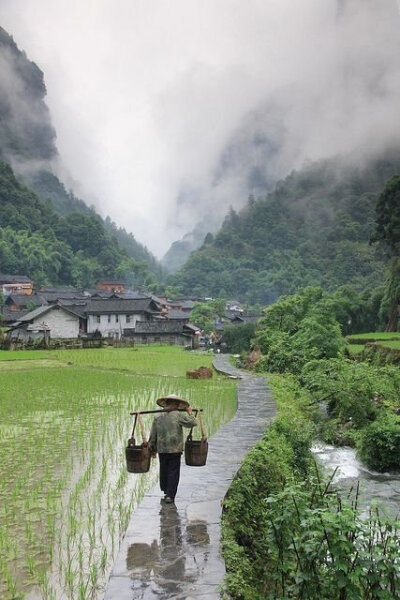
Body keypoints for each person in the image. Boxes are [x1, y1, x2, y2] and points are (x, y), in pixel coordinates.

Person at [148, 394, 197, 504]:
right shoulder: (178, 415)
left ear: (166, 403)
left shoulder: (157, 416)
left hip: (162, 449)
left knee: (164, 469)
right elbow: (193, 422)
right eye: (177, 403)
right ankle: (170, 495)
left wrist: (152, 447)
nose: (179, 405)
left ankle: (166, 490)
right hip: (175, 449)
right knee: (173, 472)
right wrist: (190, 413)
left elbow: (153, 434)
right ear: (175, 404)